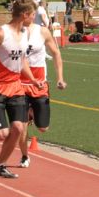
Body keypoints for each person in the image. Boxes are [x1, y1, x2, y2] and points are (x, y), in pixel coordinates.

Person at [0, 0, 44, 179]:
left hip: (16, 88)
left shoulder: (25, 34)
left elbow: (21, 60)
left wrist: (33, 79)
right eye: (33, 15)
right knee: (1, 134)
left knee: (19, 129)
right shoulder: (1, 33)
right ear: (24, 15)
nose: (34, 18)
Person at [18, 19, 66, 169]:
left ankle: (32, 113)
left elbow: (56, 53)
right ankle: (25, 156)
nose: (29, 17)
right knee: (21, 127)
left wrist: (60, 78)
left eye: (31, 14)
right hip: (19, 84)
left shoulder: (43, 32)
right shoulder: (14, 31)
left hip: (39, 85)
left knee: (43, 128)